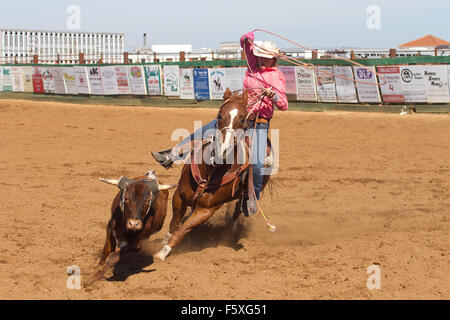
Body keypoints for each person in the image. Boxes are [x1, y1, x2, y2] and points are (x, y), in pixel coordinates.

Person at [151, 31, 288, 215]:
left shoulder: (276, 77)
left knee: (256, 161)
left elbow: (284, 104)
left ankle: (252, 198)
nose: (263, 60)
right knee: (203, 131)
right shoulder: (252, 65)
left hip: (258, 124)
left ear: (273, 60)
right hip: (240, 118)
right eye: (260, 57)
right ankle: (171, 155)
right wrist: (248, 38)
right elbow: (245, 45)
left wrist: (274, 95)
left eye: (267, 58)